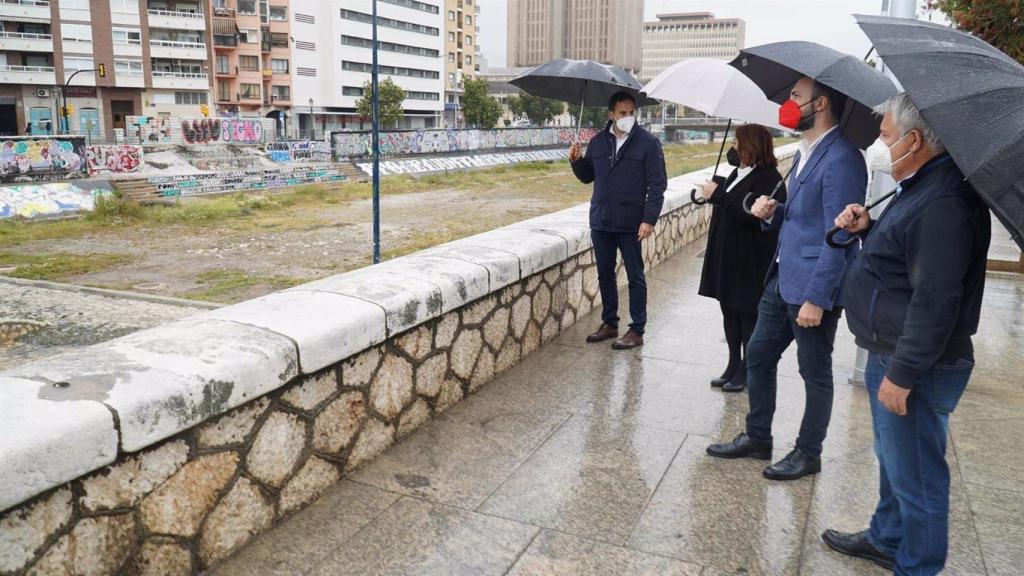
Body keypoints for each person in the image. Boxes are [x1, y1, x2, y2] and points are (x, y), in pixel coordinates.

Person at [822, 93, 990, 575]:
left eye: (887, 135)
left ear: (914, 140)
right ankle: (888, 537)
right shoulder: (922, 187)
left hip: (915, 362)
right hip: (892, 352)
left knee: (917, 476)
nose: (881, 143)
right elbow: (904, 261)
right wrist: (866, 228)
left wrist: (903, 372)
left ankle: (916, 565)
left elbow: (936, 300)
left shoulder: (943, 203)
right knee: (896, 461)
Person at [706, 77, 866, 481]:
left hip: (811, 286)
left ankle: (808, 453)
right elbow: (802, 217)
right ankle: (758, 436)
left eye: (796, 97)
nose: (788, 104)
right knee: (757, 356)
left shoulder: (842, 157)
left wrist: (817, 296)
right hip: (780, 277)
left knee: (814, 371)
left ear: (822, 102)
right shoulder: (805, 153)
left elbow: (840, 233)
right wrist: (772, 212)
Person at [569, 91, 667, 349]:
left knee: (635, 275)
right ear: (611, 114)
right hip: (601, 219)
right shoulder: (599, 142)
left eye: (631, 113)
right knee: (605, 274)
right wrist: (576, 161)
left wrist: (649, 219)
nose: (628, 117)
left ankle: (637, 329)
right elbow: (588, 176)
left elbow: (657, 185)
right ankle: (610, 323)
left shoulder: (648, 143)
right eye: (623, 113)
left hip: (632, 221)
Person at [697, 124, 786, 392]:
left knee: (747, 313)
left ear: (751, 146)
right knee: (728, 309)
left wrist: (720, 196)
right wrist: (714, 193)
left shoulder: (770, 179)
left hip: (748, 258)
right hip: (726, 252)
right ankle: (733, 363)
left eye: (737, 142)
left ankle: (746, 369)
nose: (733, 148)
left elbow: (751, 213)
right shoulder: (738, 172)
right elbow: (730, 200)